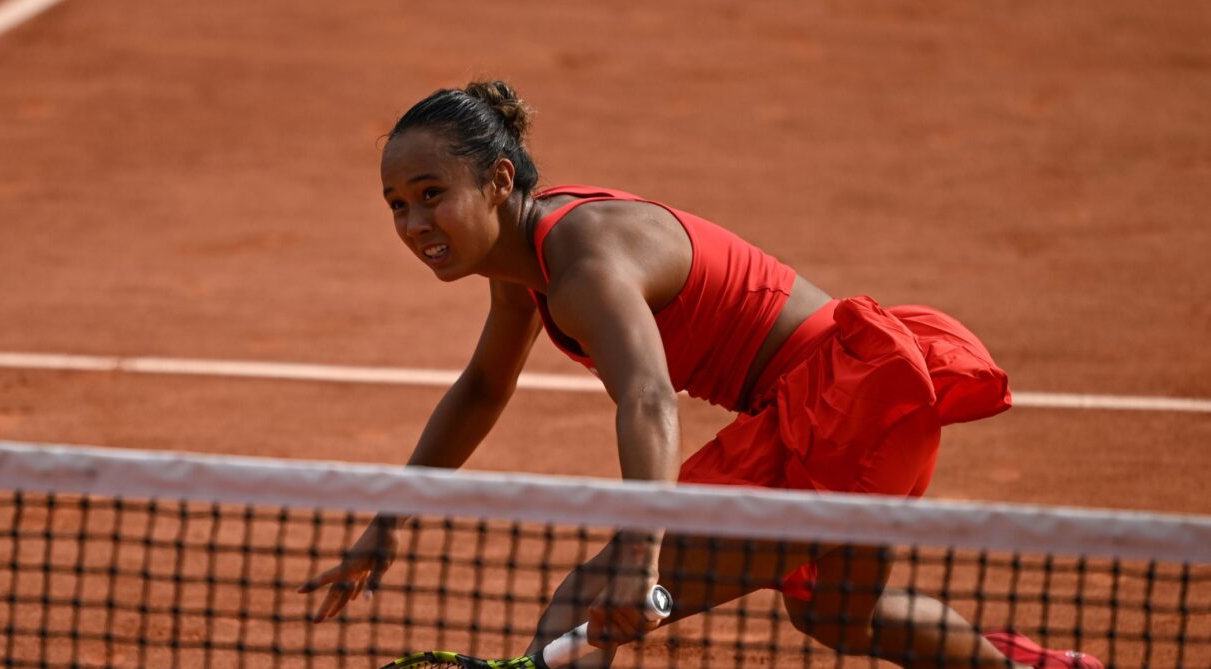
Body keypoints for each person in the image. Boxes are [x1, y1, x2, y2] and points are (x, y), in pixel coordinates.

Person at [299, 80, 1101, 669]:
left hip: (840, 405)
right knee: (843, 614)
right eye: (397, 204)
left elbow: (646, 396)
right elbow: (482, 387)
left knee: (591, 591)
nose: (414, 224)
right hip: (868, 400)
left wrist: (642, 553)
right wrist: (390, 518)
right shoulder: (523, 267)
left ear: (499, 181)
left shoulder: (583, 269)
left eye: (431, 195)